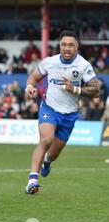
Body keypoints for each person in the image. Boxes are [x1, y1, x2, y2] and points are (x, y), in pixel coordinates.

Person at [24, 30, 100, 194]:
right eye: (64, 44)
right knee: (45, 140)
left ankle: (47, 161)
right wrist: (29, 87)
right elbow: (34, 77)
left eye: (71, 45)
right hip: (49, 109)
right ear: (59, 45)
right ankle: (32, 181)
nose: (67, 48)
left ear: (77, 47)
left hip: (70, 115)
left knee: (53, 154)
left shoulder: (83, 65)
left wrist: (75, 89)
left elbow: (96, 90)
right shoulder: (49, 62)